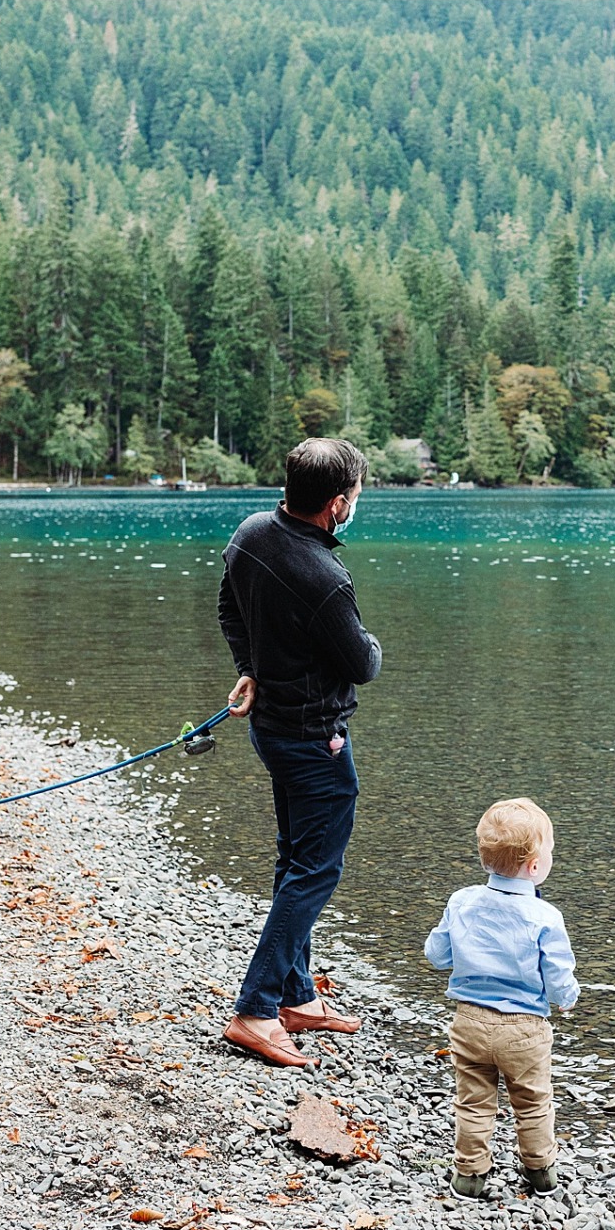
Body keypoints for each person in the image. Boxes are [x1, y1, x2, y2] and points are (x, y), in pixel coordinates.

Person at [216, 437, 381, 1068]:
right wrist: (371, 641)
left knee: (295, 859)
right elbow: (363, 663)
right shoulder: (327, 577)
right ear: (337, 504)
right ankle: (256, 1009)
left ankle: (297, 995)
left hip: (273, 731)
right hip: (316, 740)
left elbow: (229, 606)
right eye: (355, 498)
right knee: (315, 870)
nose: (354, 506)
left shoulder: (252, 531)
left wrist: (251, 666)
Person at [424, 797, 579, 1199]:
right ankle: (540, 1172)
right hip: (524, 1029)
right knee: (531, 1102)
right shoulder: (546, 917)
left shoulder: (462, 901)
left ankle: (469, 1177)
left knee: (473, 1102)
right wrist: (567, 998)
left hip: (469, 1022)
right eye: (550, 853)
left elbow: (436, 955)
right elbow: (558, 974)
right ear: (534, 867)